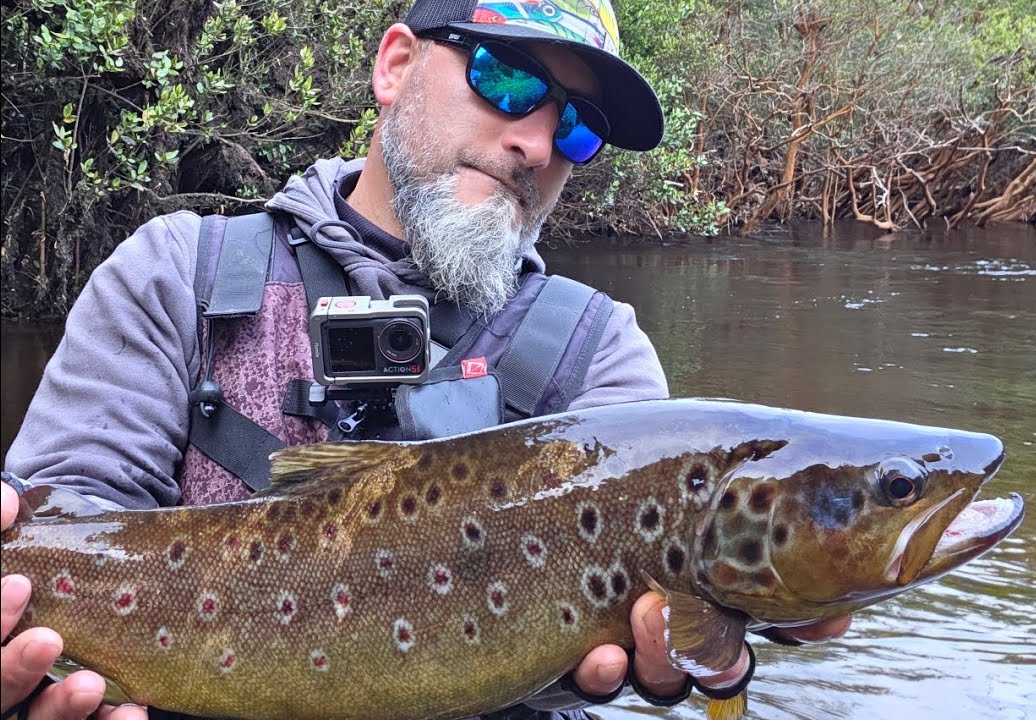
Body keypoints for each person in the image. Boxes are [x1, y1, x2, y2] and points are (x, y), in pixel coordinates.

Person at [0, 0, 853, 718]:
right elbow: (67, 509)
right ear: (396, 66)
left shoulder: (598, 353)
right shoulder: (178, 274)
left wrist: (722, 633)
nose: (538, 143)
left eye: (578, 127)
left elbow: (650, 620)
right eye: (509, 81)